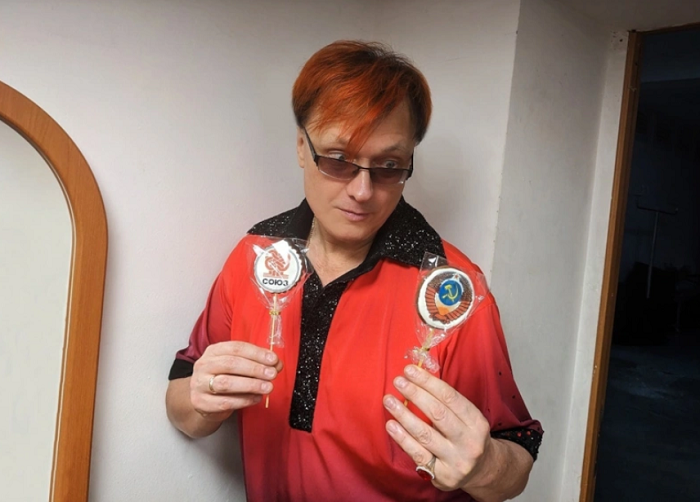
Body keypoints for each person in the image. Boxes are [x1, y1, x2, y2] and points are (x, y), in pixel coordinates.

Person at [166, 40, 543, 502]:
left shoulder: (451, 290)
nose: (363, 191)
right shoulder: (256, 256)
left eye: (388, 166)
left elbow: (515, 457)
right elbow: (183, 394)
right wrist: (201, 403)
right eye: (338, 160)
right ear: (301, 147)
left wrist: (484, 466)